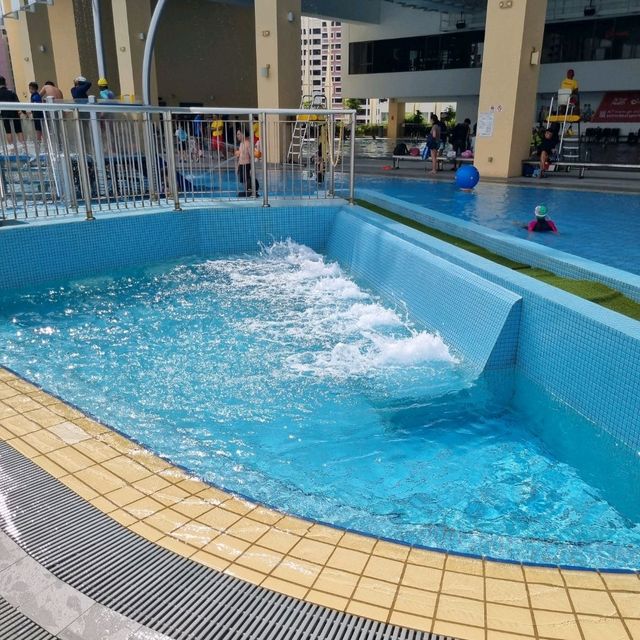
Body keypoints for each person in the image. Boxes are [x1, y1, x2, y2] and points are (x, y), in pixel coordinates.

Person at [0, 76, 25, 150]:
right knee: (19, 130)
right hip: (14, 114)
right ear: (5, 83)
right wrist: (24, 112)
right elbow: (18, 103)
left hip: (5, 114)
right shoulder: (11, 92)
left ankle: (11, 149)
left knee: (8, 131)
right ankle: (23, 148)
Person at [235, 127, 259, 196]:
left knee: (248, 178)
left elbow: (252, 156)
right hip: (242, 164)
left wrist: (252, 168)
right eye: (237, 134)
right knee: (243, 180)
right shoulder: (241, 144)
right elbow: (240, 156)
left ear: (243, 134)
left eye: (239, 134)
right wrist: (238, 166)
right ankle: (248, 191)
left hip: (247, 164)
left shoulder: (248, 143)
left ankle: (251, 191)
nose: (237, 136)